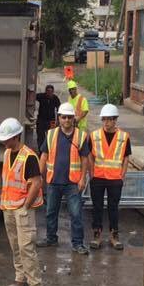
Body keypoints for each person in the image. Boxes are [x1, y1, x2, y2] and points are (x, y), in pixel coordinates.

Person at [0, 117, 44, 286]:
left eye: (6, 138)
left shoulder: (29, 156)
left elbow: (37, 183)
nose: (3, 141)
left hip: (22, 209)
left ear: (16, 137)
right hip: (9, 206)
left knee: (26, 247)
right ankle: (20, 279)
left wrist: (25, 206)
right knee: (15, 246)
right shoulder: (7, 154)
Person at [37, 102, 91, 254]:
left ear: (74, 118)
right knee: (50, 212)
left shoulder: (80, 136)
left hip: (72, 183)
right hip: (53, 181)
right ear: (59, 118)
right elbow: (44, 156)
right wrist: (38, 178)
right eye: (63, 117)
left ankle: (78, 243)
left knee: (76, 214)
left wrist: (82, 178)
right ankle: (51, 238)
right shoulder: (51, 134)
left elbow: (85, 159)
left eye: (69, 117)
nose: (66, 120)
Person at [89, 104, 132, 250]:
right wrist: (91, 173)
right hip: (98, 177)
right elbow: (90, 155)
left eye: (109, 120)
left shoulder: (124, 137)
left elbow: (126, 157)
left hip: (115, 178)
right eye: (104, 119)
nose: (106, 123)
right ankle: (97, 235)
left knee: (113, 208)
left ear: (115, 120)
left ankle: (114, 235)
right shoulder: (94, 136)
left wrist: (122, 175)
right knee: (97, 207)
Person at [34, 84, 61, 151]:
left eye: (51, 91)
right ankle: (41, 152)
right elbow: (33, 96)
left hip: (51, 121)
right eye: (48, 91)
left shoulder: (55, 98)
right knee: (40, 138)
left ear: (53, 92)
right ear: (46, 91)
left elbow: (59, 109)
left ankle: (50, 152)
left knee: (51, 137)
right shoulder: (41, 96)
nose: (49, 93)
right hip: (41, 120)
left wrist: (58, 120)